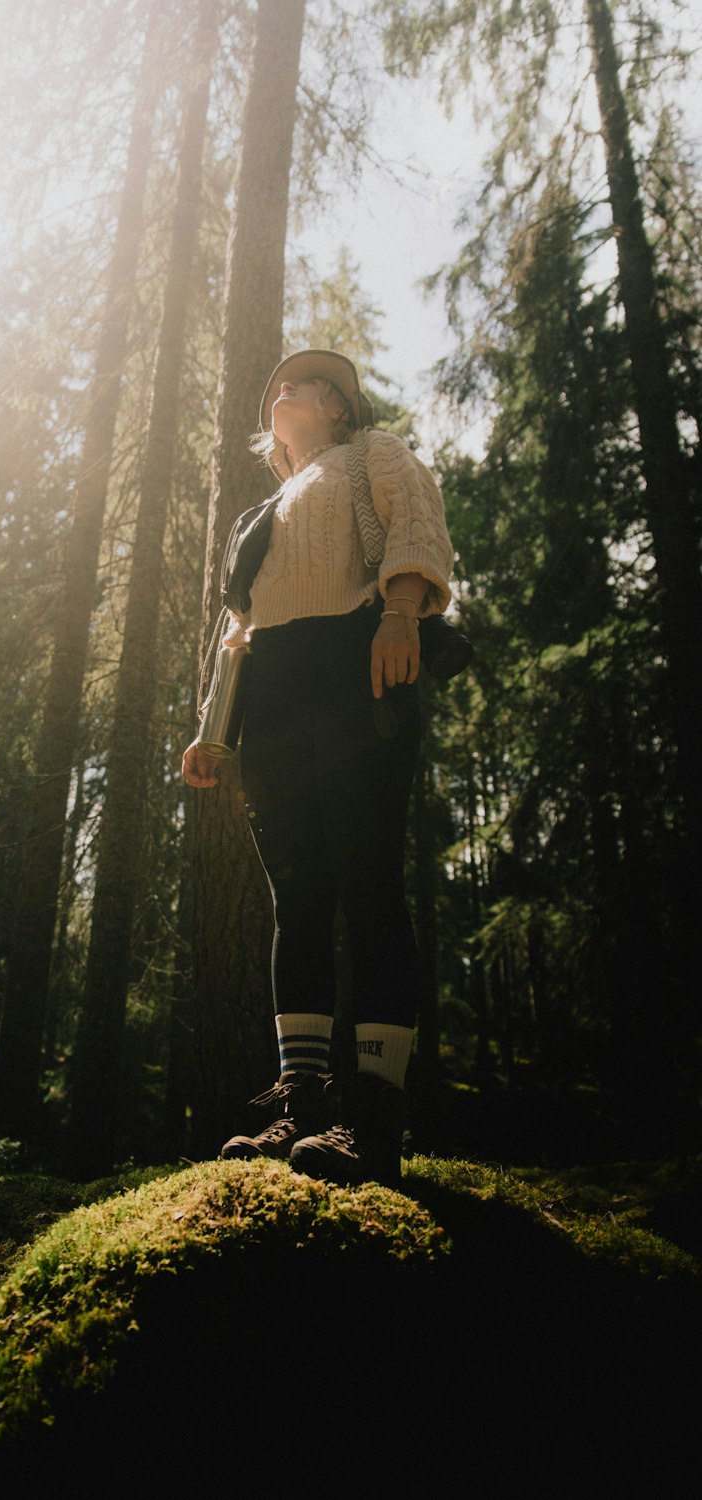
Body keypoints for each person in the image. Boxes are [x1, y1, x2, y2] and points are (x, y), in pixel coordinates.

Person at [182, 349, 455, 1186]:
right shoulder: (257, 517)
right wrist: (213, 731)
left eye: (307, 383)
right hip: (276, 711)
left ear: (341, 409)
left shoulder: (373, 454)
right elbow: (240, 635)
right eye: (278, 387)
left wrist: (403, 613)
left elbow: (412, 520)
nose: (284, 389)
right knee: (297, 900)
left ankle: (373, 1117)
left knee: (369, 881)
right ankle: (301, 1106)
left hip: (357, 676)